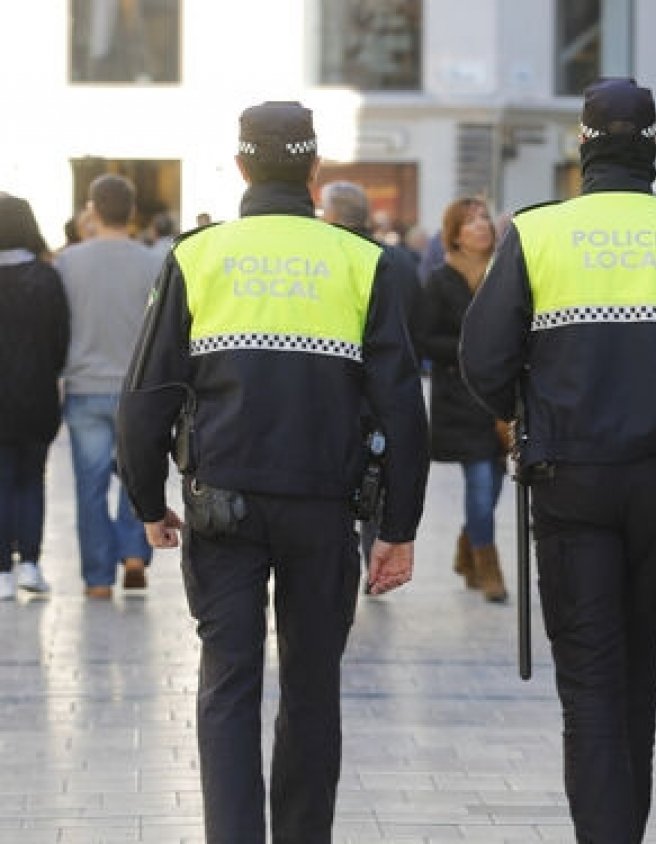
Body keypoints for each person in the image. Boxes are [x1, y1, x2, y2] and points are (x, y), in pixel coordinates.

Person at [116, 101, 430, 843]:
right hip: (325, 510)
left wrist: (146, 498)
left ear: (241, 167)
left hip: (221, 504)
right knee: (313, 689)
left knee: (228, 683)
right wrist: (399, 528)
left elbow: (147, 394)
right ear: (315, 169)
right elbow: (401, 408)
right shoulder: (363, 262)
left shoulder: (199, 256)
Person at [460, 78, 656, 843]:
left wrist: (529, 403)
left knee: (590, 684)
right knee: (639, 679)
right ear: (654, 147)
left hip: (569, 478)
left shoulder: (539, 232)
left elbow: (483, 359)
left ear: (583, 148)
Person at [54, 174, 163, 599]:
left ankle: (98, 578)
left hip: (83, 385)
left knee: (90, 486)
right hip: (137, 387)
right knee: (136, 477)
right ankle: (135, 554)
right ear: (133, 211)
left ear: (92, 210)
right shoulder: (153, 261)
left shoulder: (69, 261)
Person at [319, 180, 425, 580]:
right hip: (393, 386)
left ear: (331, 215)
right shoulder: (399, 260)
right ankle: (373, 560)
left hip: (344, 391)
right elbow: (419, 321)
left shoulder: (335, 258)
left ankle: (352, 560)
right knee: (380, 475)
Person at [416, 196, 510, 602]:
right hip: (459, 396)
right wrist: (472, 348)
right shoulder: (439, 280)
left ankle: (467, 545)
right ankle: (488, 567)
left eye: (485, 219)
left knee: (497, 481)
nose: (482, 226)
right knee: (480, 480)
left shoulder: (505, 275)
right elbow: (425, 338)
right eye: (471, 222)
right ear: (454, 234)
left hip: (502, 399)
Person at [0, 195, 70, 600]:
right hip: (37, 396)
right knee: (31, 480)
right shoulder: (46, 278)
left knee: (2, 480)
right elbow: (61, 341)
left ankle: (2, 573)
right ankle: (29, 562)